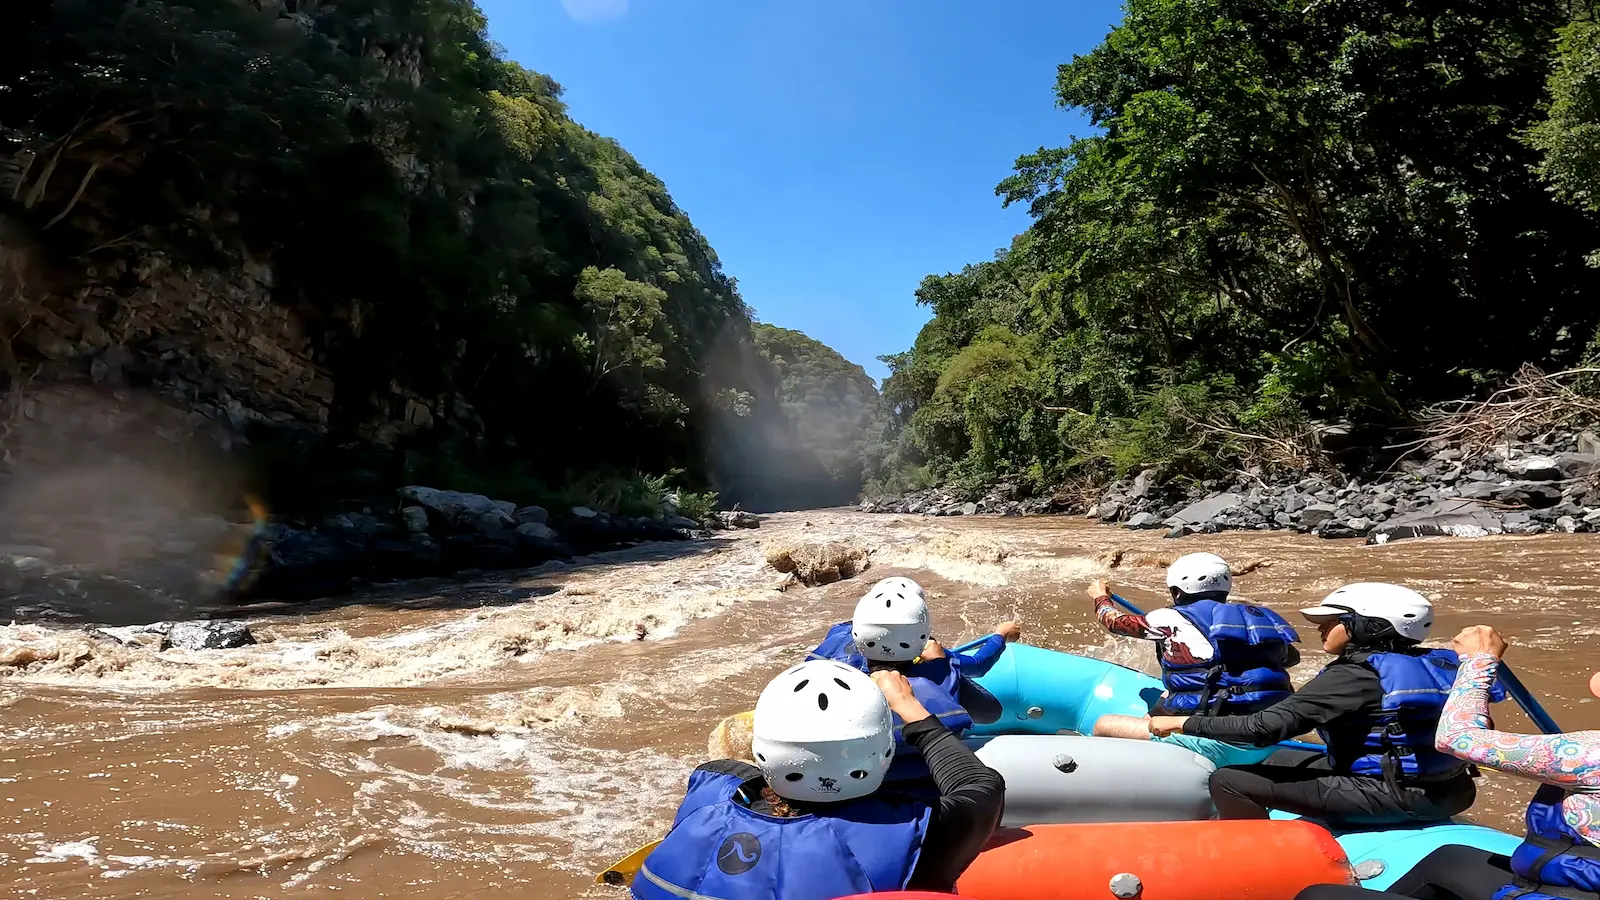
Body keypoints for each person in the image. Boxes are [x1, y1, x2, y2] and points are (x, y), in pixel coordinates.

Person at [631, 659, 1006, 900]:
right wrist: (910, 709)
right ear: (882, 754)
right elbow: (981, 788)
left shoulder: (708, 786)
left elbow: (731, 769)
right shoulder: (912, 834)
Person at [1149, 582, 1505, 827]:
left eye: (1331, 621)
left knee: (1229, 779)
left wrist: (1181, 723)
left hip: (1398, 795)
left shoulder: (1352, 676)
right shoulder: (1440, 662)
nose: (1321, 628)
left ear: (1368, 627)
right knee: (1278, 757)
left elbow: (1260, 729)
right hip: (1452, 789)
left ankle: (1254, 853)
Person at [1293, 624, 1600, 900]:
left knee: (1318, 896)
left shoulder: (1586, 754)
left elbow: (1456, 739)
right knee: (1449, 858)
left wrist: (1478, 662)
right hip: (1560, 883)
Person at [1087, 552, 1301, 767]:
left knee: (1103, 724)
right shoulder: (1258, 619)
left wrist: (1100, 596)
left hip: (1220, 741)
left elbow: (1114, 621)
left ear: (1177, 592)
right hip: (1268, 734)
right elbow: (1290, 659)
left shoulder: (1167, 618)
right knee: (1164, 700)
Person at [808, 576, 1018, 784]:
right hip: (920, 773)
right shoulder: (937, 672)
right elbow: (978, 665)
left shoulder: (836, 639)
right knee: (992, 711)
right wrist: (1000, 636)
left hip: (850, 769)